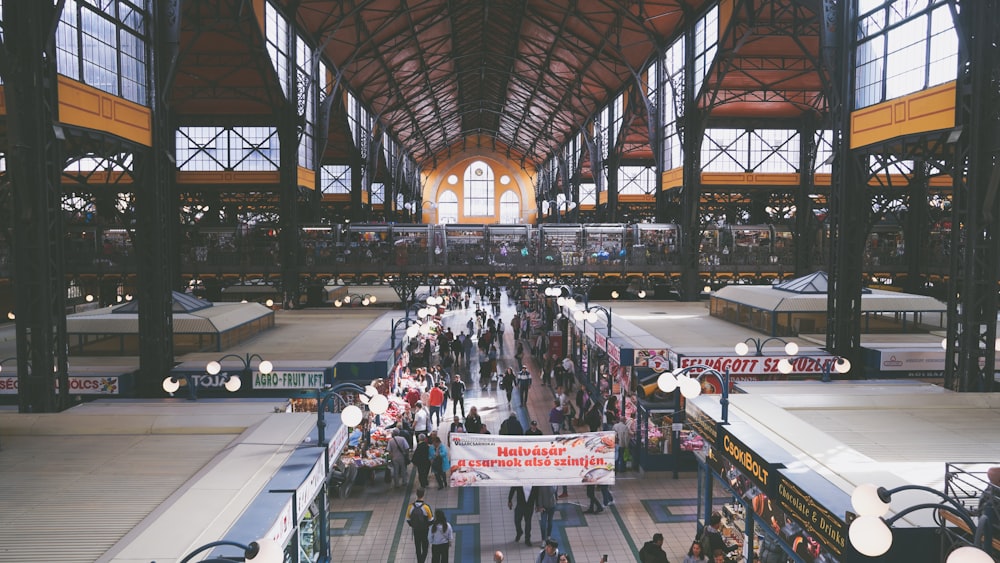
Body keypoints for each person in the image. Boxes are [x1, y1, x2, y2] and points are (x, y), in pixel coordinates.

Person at [406, 488, 434, 563]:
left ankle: (419, 561)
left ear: (416, 494)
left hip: (416, 531)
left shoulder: (410, 507)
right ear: (423, 494)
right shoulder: (426, 507)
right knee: (425, 548)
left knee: (418, 548)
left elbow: (408, 520)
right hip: (424, 531)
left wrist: (414, 525)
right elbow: (431, 520)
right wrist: (426, 525)